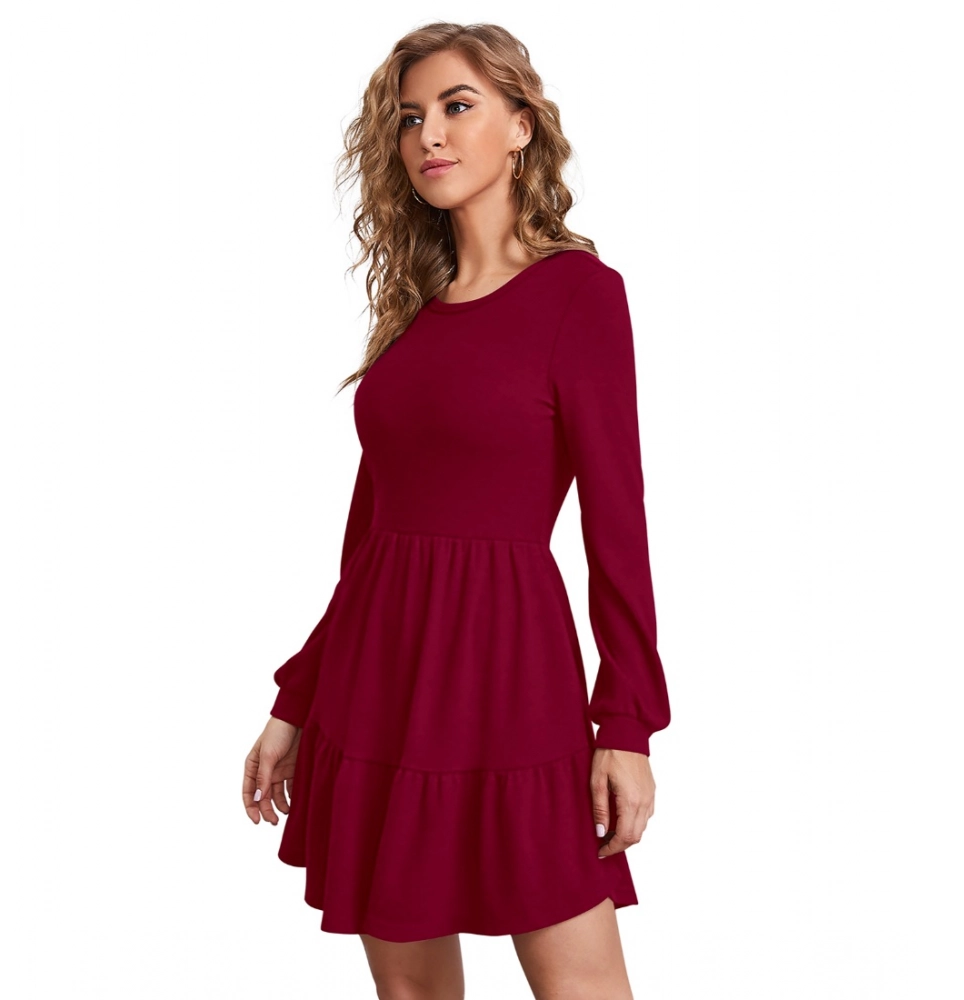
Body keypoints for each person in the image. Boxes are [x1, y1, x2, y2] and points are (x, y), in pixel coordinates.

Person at [242, 21, 671, 1000]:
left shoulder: (580, 295)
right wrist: (297, 699)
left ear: (522, 126)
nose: (428, 134)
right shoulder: (414, 314)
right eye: (409, 118)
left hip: (510, 673)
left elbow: (618, 522)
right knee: (412, 992)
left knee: (581, 984)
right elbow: (370, 540)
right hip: (378, 674)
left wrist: (627, 724)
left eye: (457, 106)